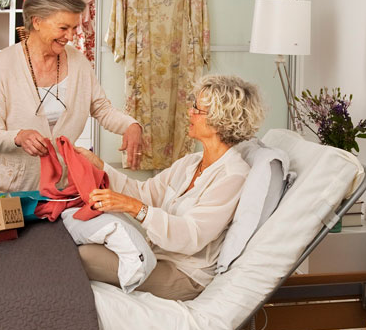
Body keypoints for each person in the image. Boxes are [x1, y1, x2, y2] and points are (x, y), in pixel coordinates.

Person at [76, 74, 265, 301]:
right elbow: (145, 193)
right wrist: (98, 166)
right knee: (79, 242)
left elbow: (191, 235)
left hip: (185, 274)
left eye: (198, 109)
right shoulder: (191, 162)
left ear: (220, 121)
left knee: (84, 257)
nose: (190, 112)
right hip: (156, 256)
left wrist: (134, 208)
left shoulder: (233, 176)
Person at [0, 0, 143, 192]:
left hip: (62, 189)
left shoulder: (78, 62)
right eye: (63, 28)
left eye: (74, 28)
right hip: (14, 191)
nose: (70, 36)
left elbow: (102, 109)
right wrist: (18, 137)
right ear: (37, 22)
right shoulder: (5, 63)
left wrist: (131, 126)